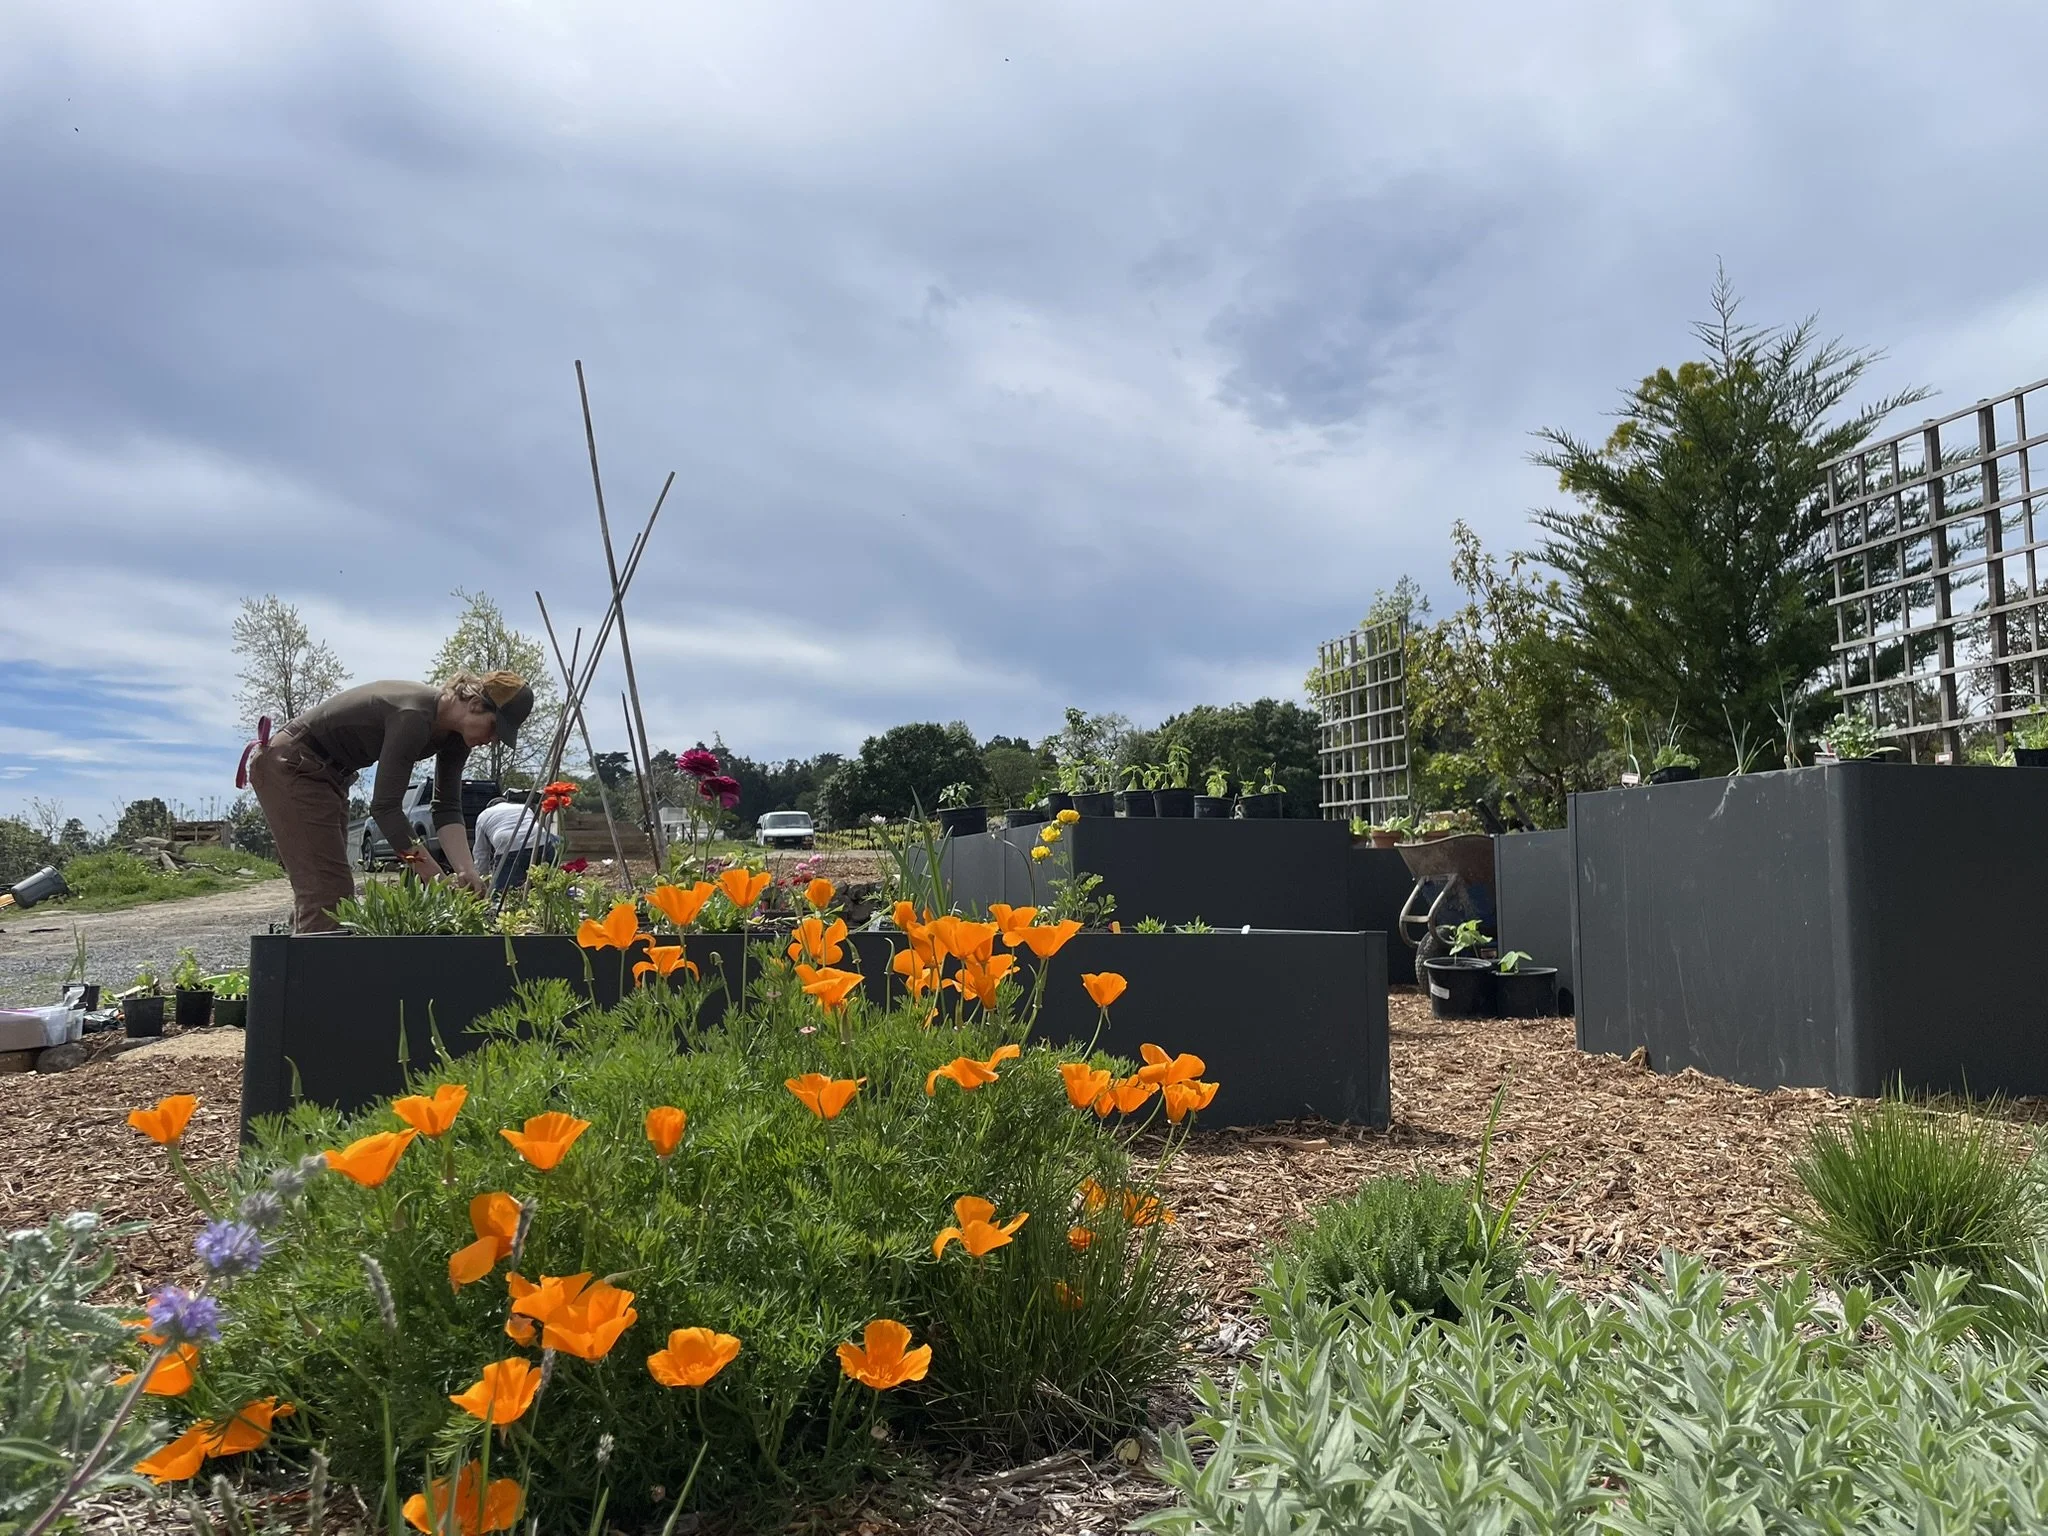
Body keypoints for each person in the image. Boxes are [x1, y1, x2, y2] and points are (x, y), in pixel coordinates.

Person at [247, 672, 534, 933]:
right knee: (328, 892)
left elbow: (446, 807)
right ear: (474, 705)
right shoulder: (413, 714)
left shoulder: (456, 737)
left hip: (328, 776)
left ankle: (297, 969)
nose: (494, 740)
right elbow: (385, 809)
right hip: (292, 765)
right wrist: (437, 880)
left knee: (327, 889)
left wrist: (466, 871)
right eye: (495, 728)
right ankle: (312, 984)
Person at [471, 789, 557, 895]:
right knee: (547, 888)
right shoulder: (523, 807)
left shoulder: (483, 815)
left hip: (508, 846)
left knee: (505, 894)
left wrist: (484, 881)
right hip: (541, 842)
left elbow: (481, 852)